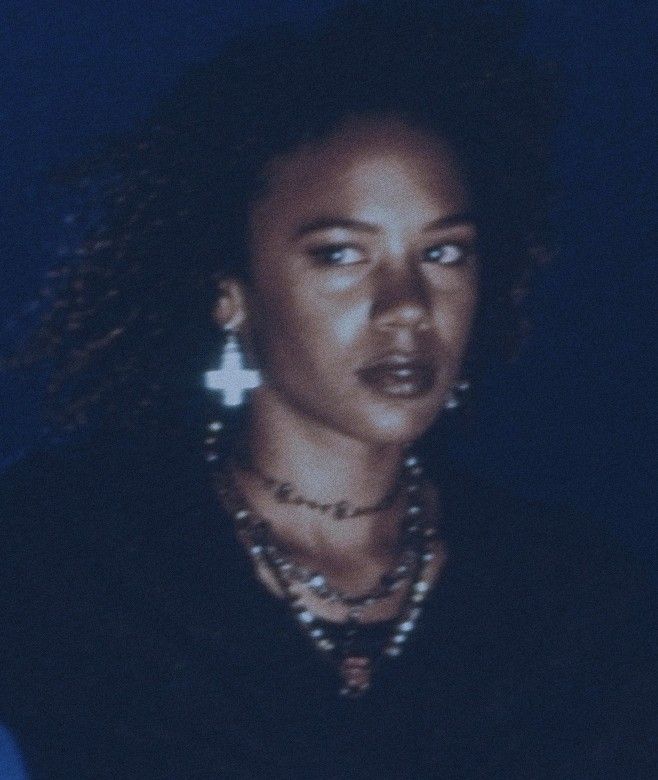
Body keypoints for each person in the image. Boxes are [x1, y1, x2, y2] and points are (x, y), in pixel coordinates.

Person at [1, 2, 655, 777]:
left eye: (444, 252)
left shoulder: (579, 598)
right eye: (342, 255)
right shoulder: (60, 554)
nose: (408, 304)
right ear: (230, 293)